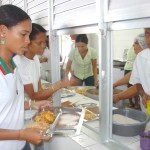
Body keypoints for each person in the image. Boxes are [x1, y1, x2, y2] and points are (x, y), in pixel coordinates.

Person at [0, 4, 51, 150]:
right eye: (23, 34)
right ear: (3, 31)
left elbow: (6, 106)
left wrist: (32, 105)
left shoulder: (12, 65)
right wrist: (21, 134)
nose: (28, 41)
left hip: (21, 145)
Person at [14, 23, 70, 102]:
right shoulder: (19, 63)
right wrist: (58, 85)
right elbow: (33, 96)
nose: (44, 45)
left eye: (44, 42)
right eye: (39, 43)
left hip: (36, 108)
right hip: (25, 111)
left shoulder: (35, 58)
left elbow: (39, 90)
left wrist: (50, 101)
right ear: (27, 42)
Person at [113, 33, 148, 111]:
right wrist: (114, 85)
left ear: (144, 45)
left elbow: (137, 88)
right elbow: (132, 75)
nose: (133, 45)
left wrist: (118, 96)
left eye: (136, 43)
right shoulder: (141, 59)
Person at [129, 28, 150, 112]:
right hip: (147, 107)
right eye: (147, 34)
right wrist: (143, 94)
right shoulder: (141, 57)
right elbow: (138, 82)